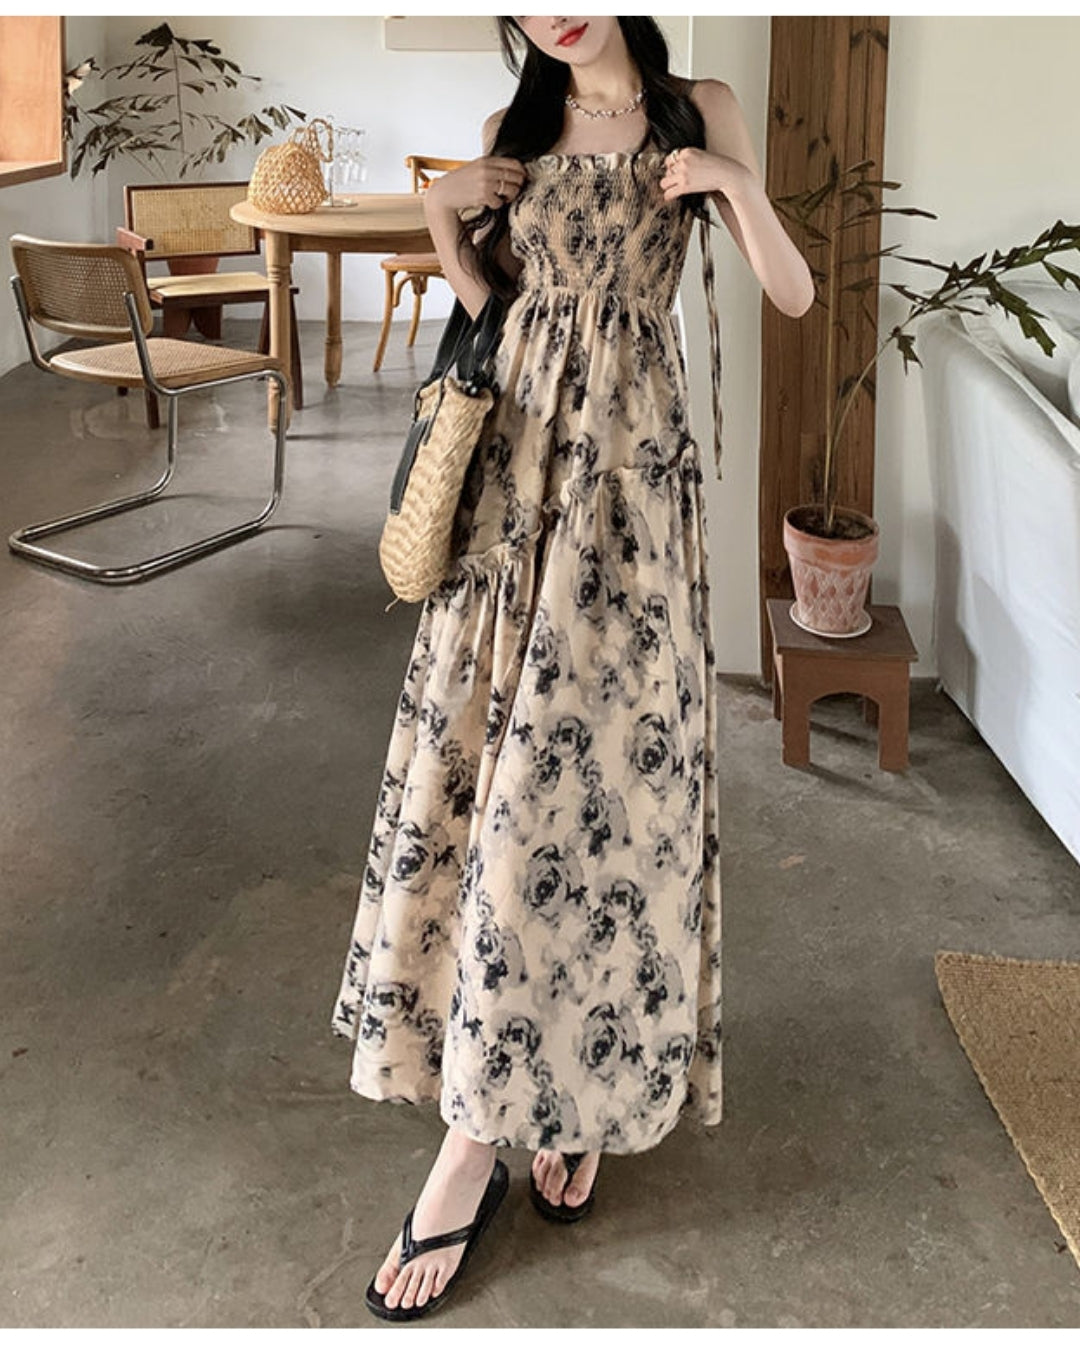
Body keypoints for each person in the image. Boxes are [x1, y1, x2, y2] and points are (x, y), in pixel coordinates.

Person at [331, 15, 814, 1321]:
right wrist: (443, 218)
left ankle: (578, 1089)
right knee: (499, 792)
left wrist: (733, 182)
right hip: (514, 500)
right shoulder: (516, 131)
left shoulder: (700, 104)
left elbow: (791, 294)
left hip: (634, 504)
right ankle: (472, 1140)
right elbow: (499, 318)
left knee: (607, 805)